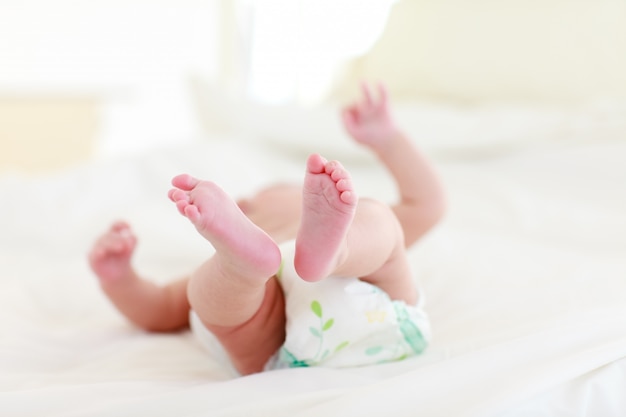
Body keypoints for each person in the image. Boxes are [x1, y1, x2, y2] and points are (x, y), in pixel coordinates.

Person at [88, 83, 446, 375]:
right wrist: (121, 278)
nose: (245, 202)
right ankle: (250, 266)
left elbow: (158, 309)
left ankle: (328, 252)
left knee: (210, 296)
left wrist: (389, 141)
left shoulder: (326, 229)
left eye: (258, 197)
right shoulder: (264, 243)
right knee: (381, 222)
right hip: (387, 324)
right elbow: (160, 308)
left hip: (285, 343)